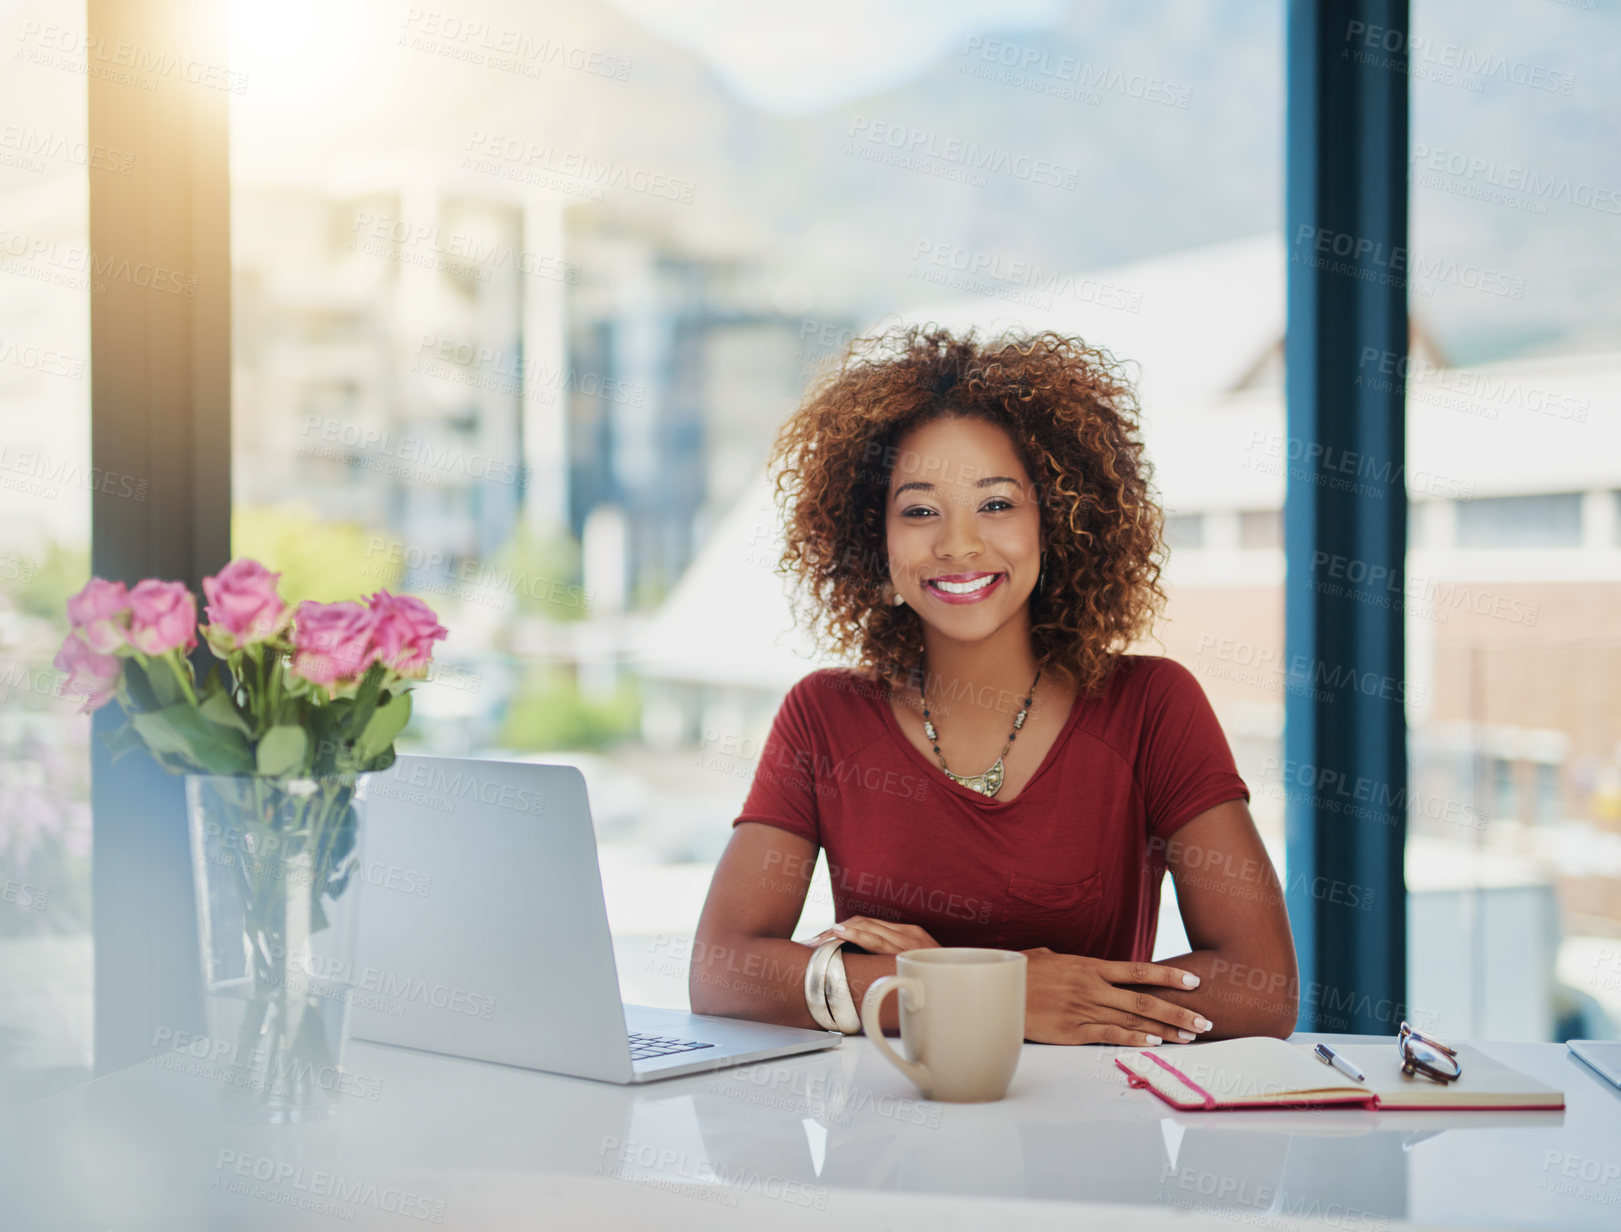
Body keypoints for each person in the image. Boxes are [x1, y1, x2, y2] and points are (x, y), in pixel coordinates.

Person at [690, 324, 1298, 1045]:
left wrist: (924, 981)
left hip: (1088, 1143)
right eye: (918, 510)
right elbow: (723, 972)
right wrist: (981, 991)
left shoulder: (1150, 706)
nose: (957, 543)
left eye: (997, 503)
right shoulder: (823, 715)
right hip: (886, 1140)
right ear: (871, 539)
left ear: (1060, 521)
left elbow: (1260, 990)